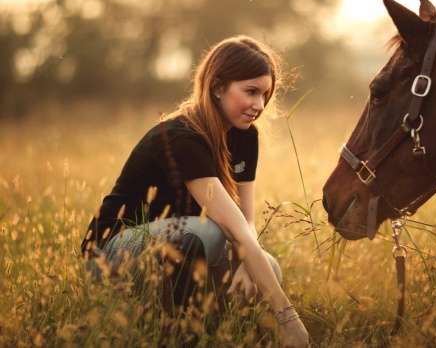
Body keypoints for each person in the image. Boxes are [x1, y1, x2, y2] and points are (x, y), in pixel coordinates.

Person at [80, 35, 309, 347]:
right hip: (111, 253)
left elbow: (246, 222)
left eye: (265, 94)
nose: (259, 105)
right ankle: (179, 332)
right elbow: (232, 230)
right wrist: (288, 318)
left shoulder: (245, 136)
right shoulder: (181, 136)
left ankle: (213, 326)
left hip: (182, 243)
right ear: (217, 87)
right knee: (211, 234)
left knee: (268, 267)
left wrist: (245, 263)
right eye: (251, 92)